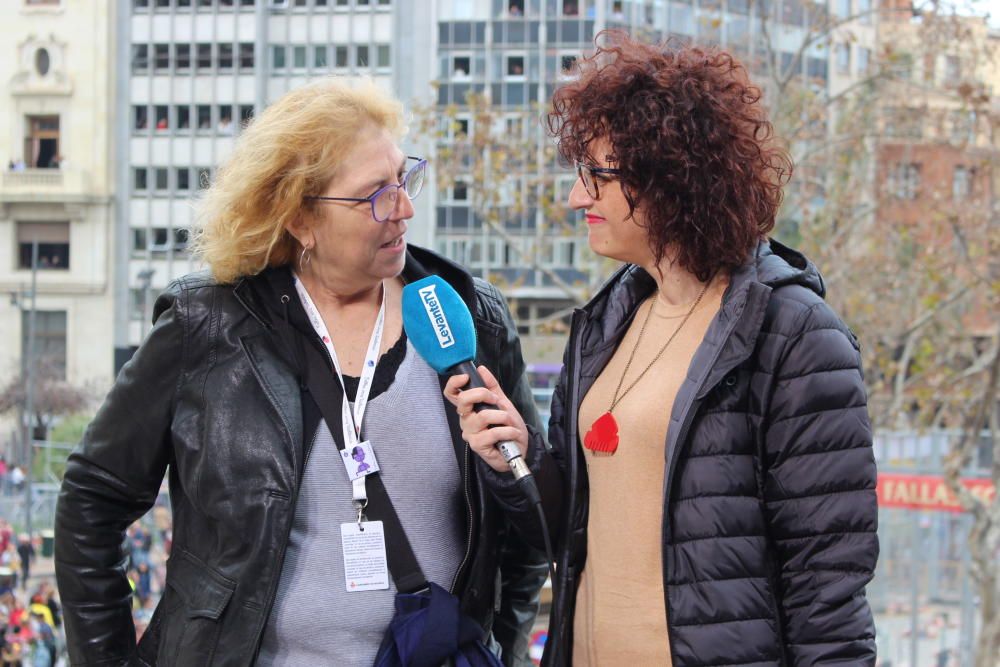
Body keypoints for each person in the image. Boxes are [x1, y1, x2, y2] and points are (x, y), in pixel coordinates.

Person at [55, 78, 553, 666]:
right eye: (375, 195)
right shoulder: (207, 326)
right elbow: (92, 501)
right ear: (299, 218)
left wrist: (503, 645)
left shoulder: (467, 317)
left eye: (404, 178)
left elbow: (534, 533)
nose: (404, 208)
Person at [446, 32, 879, 666]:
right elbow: (576, 525)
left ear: (672, 178)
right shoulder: (605, 321)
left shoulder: (795, 334)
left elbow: (828, 597)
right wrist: (519, 456)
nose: (576, 197)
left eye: (599, 175)